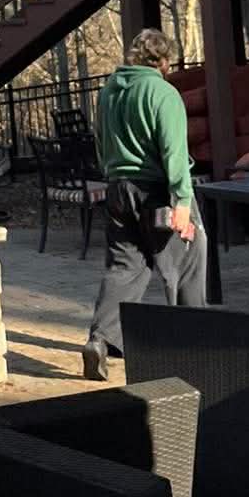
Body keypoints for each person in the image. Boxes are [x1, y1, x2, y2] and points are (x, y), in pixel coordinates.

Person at [83, 26, 206, 380]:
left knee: (126, 267)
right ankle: (192, 342)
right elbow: (174, 152)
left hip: (118, 188)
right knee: (187, 262)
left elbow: (101, 141)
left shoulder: (108, 92)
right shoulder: (162, 93)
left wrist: (113, 174)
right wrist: (182, 200)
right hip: (156, 192)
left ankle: (100, 340)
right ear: (164, 60)